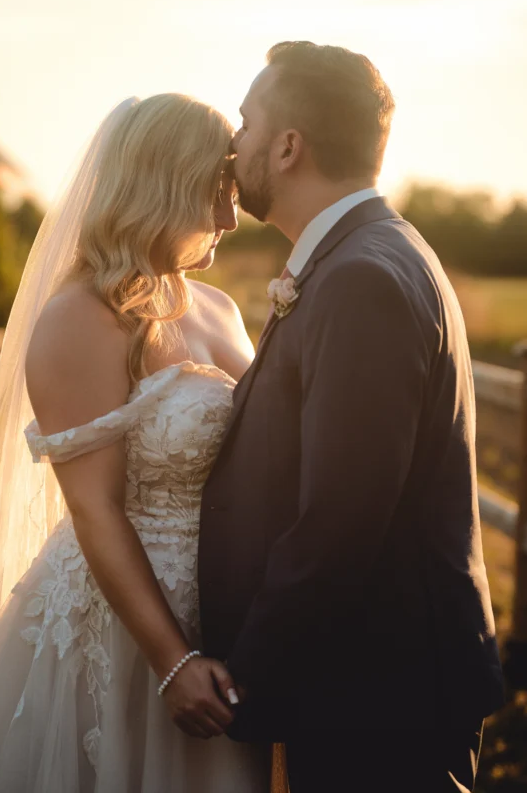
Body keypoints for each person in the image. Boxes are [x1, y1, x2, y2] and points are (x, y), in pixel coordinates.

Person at [0, 94, 271, 793]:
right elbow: (95, 508)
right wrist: (171, 661)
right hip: (127, 629)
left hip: (224, 609)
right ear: (160, 185)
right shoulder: (80, 317)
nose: (229, 216)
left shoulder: (218, 307)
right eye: (213, 192)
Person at [198, 41, 505, 793]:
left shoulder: (361, 277)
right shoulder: (360, 255)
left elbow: (340, 519)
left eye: (245, 122)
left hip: (378, 700)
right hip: (364, 683)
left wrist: (243, 678)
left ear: (289, 145)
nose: (232, 145)